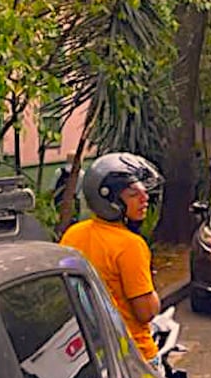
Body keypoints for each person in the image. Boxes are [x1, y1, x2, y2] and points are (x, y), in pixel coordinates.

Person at [60, 153, 163, 363]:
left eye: (144, 192)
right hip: (135, 356)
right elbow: (145, 312)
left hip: (93, 353)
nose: (145, 199)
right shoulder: (130, 245)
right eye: (133, 194)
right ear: (109, 199)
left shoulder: (73, 234)